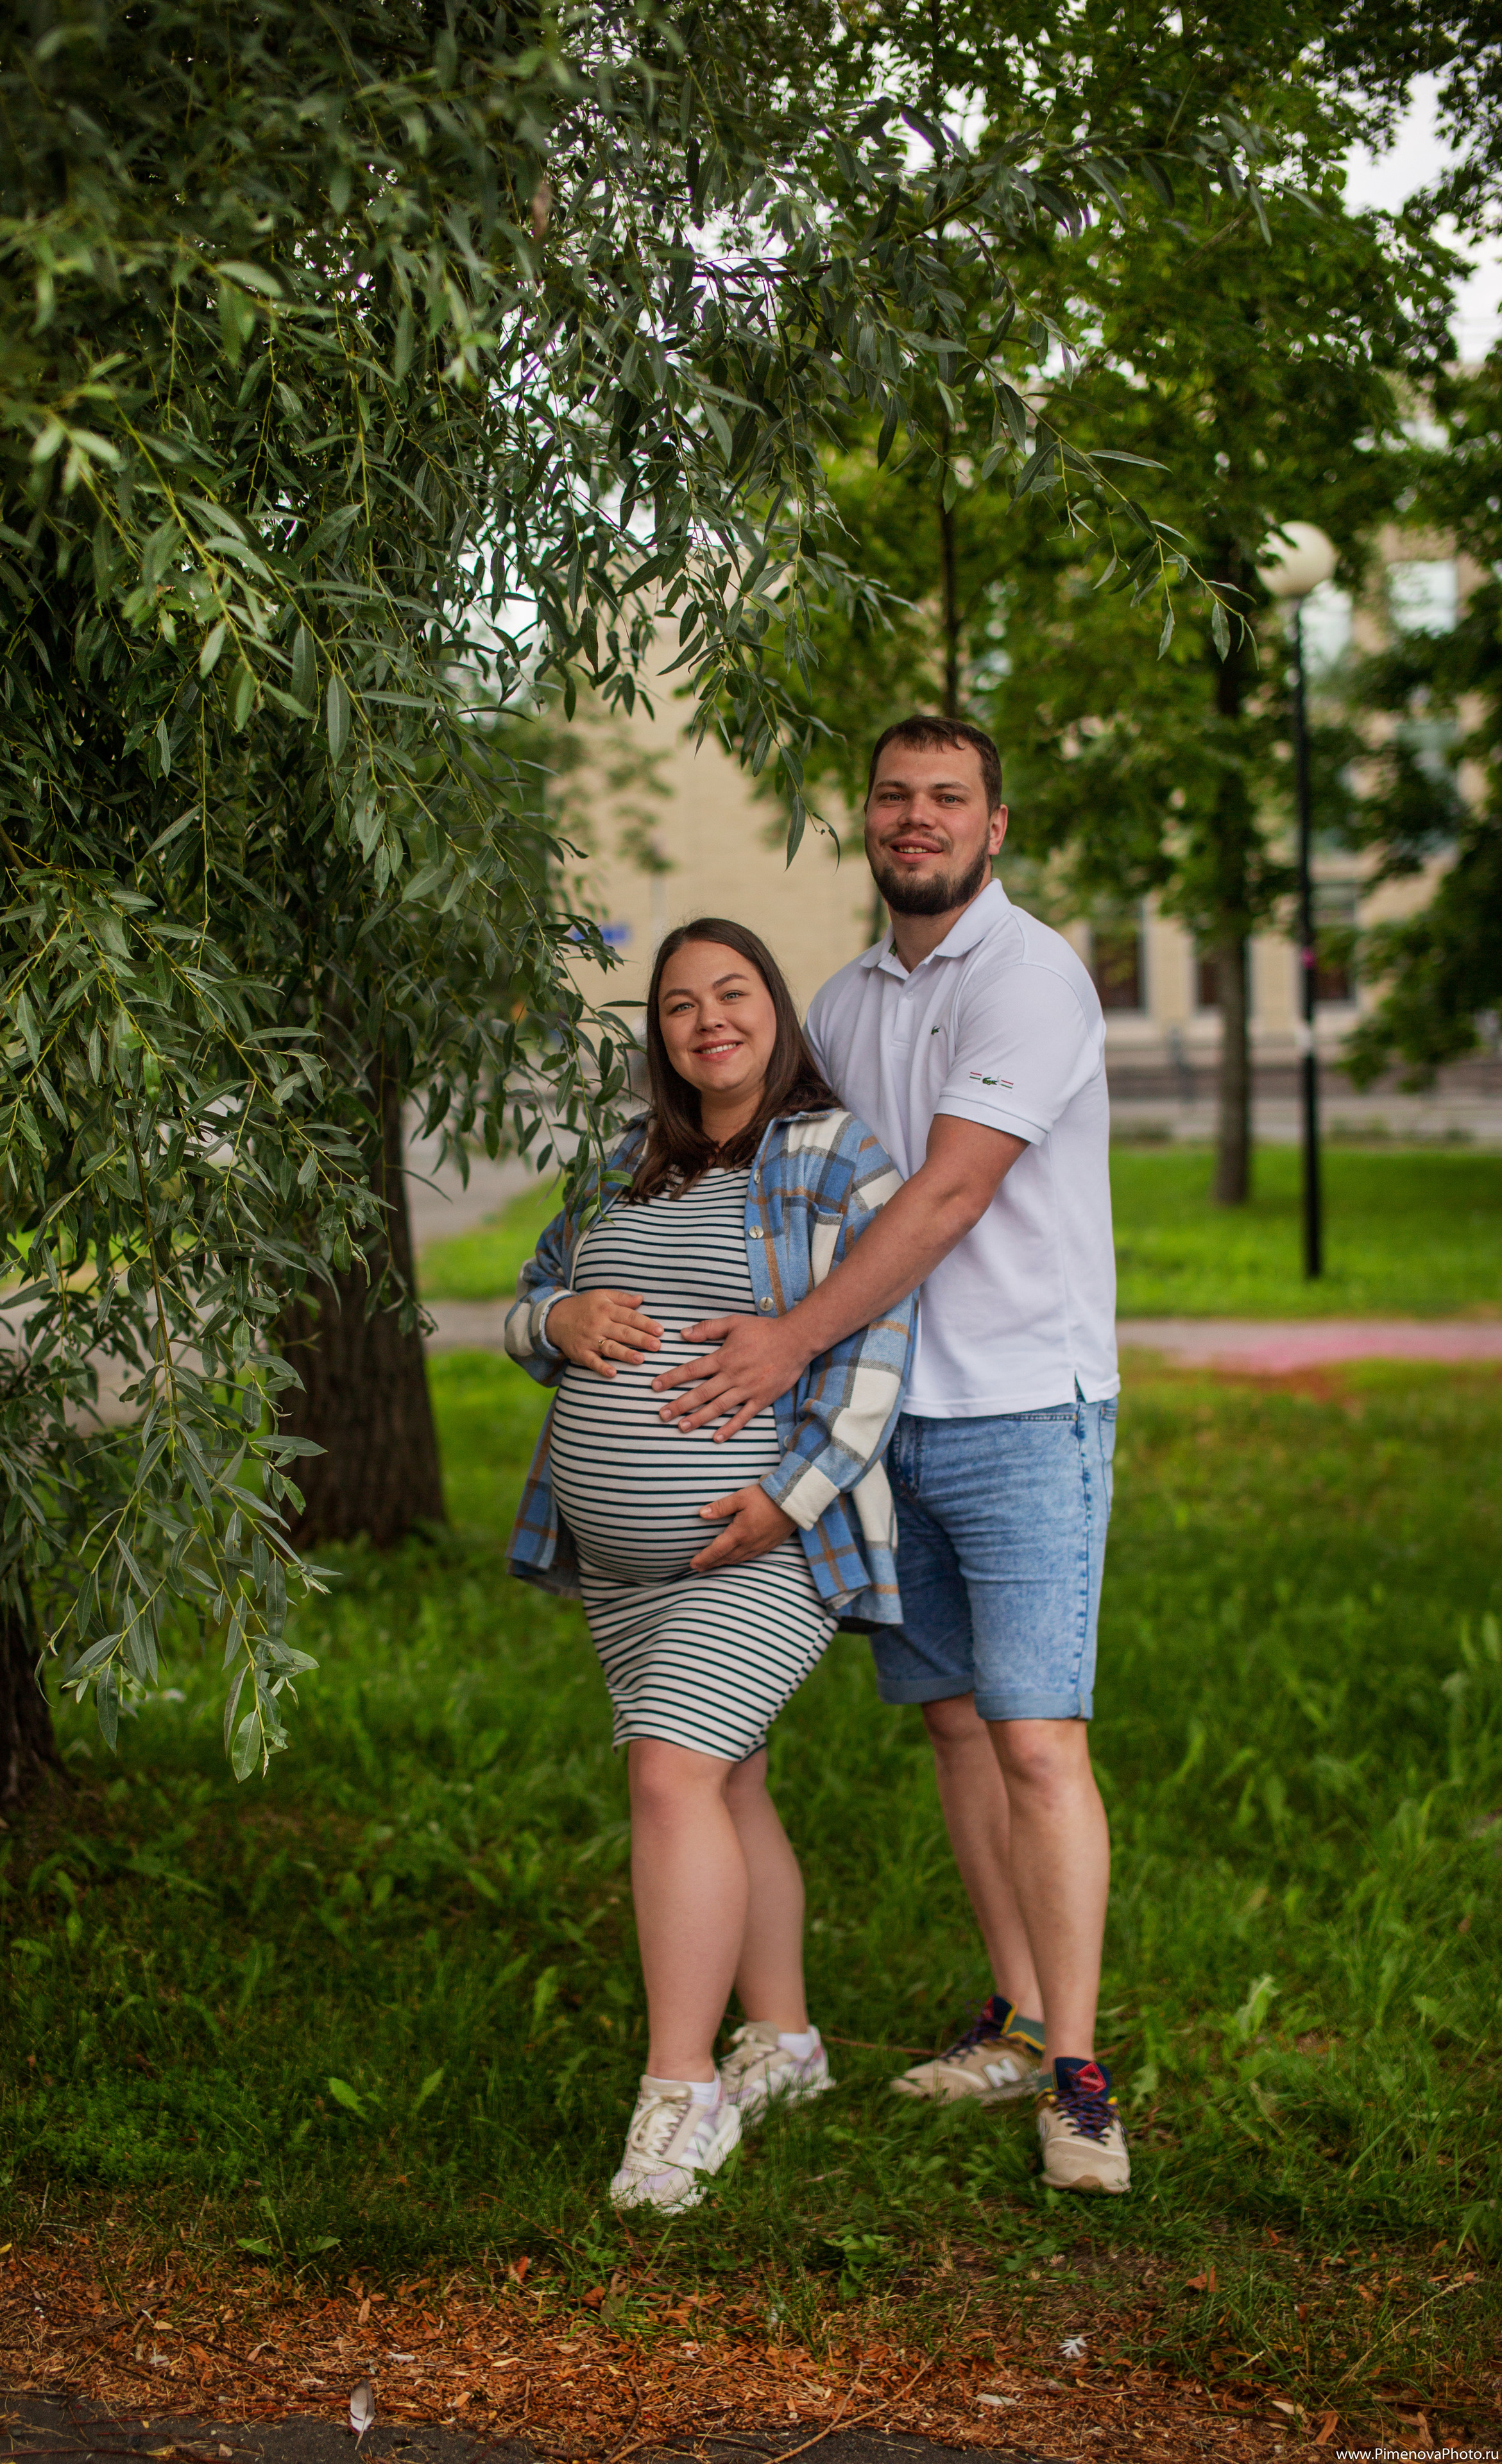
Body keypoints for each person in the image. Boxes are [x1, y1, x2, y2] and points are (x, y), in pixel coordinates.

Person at [648, 717, 1129, 2196]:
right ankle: (1016, 2019)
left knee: (1037, 1740)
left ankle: (1078, 2082)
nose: (914, 818)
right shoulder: (847, 1002)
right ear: (865, 819)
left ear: (993, 825)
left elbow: (943, 1198)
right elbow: (783, 1170)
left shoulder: (1030, 977)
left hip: (1024, 1408)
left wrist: (785, 1343)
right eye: (891, 796)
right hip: (885, 1421)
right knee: (955, 1730)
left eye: (946, 798)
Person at [504, 918, 915, 2216]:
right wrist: (557, 1316)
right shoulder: (620, 1162)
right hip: (618, 1562)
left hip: (766, 1541)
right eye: (679, 1004)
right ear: (660, 1034)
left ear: (774, 1012)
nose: (707, 1020)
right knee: (727, 1783)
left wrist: (790, 1503)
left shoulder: (833, 1154)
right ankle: (783, 2044)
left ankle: (680, 2095)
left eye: (731, 993)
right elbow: (524, 1307)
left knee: (670, 1770)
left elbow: (877, 1345)